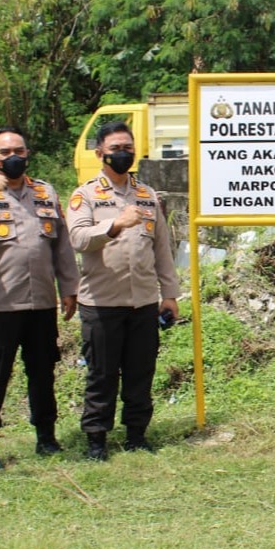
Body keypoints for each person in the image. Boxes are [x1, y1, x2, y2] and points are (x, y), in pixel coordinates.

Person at [0, 127, 80, 469]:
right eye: (5, 152)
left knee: (42, 371)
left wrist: (69, 287)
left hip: (40, 301)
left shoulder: (44, 192)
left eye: (19, 151)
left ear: (27, 154)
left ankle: (46, 436)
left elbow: (62, 245)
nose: (13, 157)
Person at [66, 121, 180, 460]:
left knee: (140, 372)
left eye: (128, 148)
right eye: (115, 148)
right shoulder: (84, 195)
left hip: (143, 302)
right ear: (100, 153)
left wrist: (170, 294)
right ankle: (97, 440)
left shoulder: (147, 195)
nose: (122, 154)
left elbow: (162, 249)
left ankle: (137, 435)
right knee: (101, 374)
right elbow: (78, 239)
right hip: (101, 302)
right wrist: (115, 225)